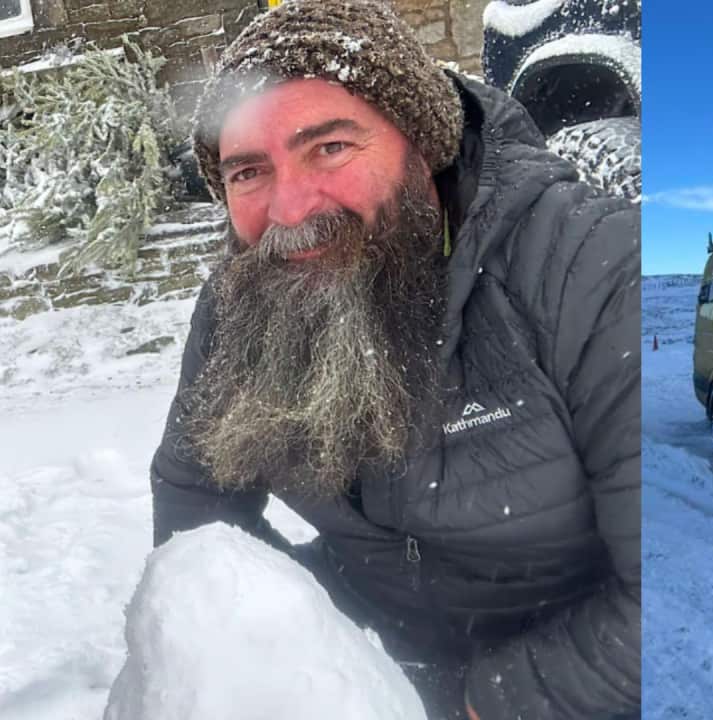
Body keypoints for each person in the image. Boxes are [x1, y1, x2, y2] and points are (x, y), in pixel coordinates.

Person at [149, 1, 640, 718]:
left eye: (330, 148)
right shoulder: (244, 301)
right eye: (248, 171)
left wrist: (489, 701)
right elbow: (198, 511)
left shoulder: (592, 270)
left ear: (424, 145)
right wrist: (277, 661)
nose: (289, 210)